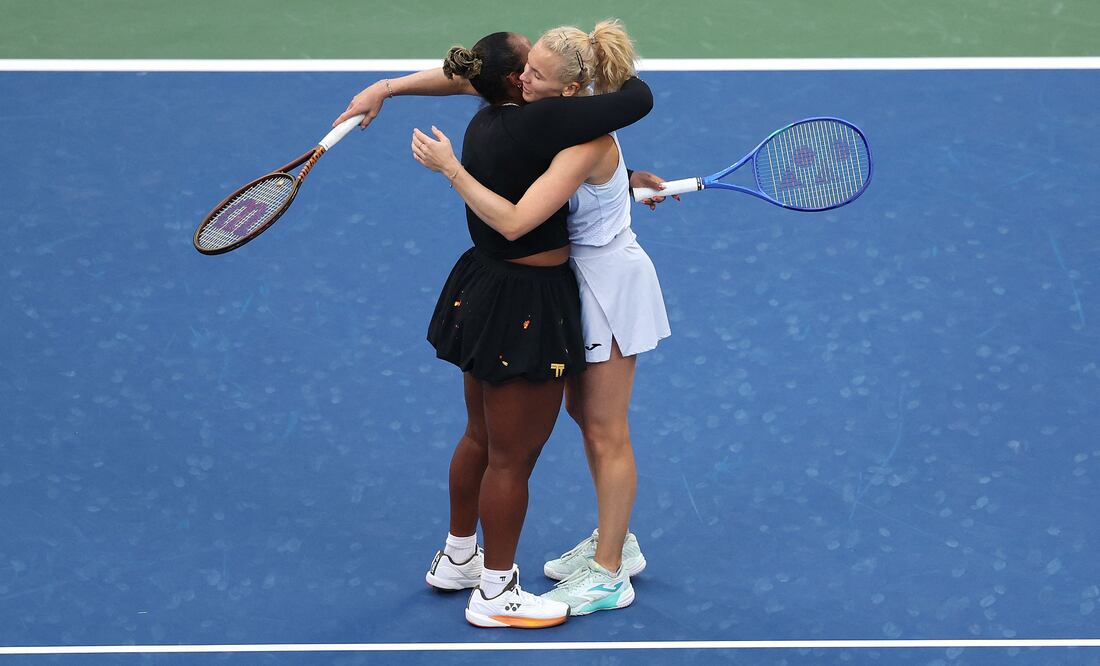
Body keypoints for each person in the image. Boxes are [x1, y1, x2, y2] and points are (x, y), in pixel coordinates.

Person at [338, 30, 653, 628]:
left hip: (535, 288)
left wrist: (387, 87)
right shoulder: (550, 127)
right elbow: (630, 106)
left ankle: (595, 561)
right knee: (517, 452)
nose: (528, 78)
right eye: (525, 70)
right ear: (513, 80)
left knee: (554, 431)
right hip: (534, 298)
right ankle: (496, 591)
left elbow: (571, 172)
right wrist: (451, 169)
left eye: (540, 72)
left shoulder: (505, 121)